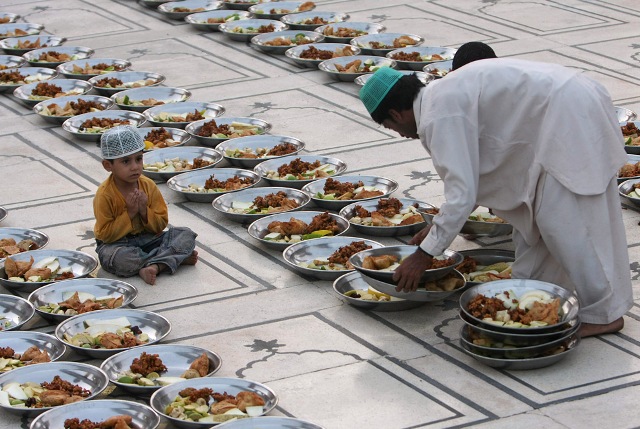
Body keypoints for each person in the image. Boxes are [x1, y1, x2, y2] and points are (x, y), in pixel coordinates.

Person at [358, 62, 633, 337]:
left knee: (572, 225)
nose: (400, 134)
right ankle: (536, 298)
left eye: (391, 126)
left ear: (396, 113)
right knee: (543, 225)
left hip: (567, 116)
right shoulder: (441, 98)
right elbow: (474, 176)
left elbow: (462, 192)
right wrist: (436, 229)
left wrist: (425, 254)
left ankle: (603, 314)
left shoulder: (437, 116)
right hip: (567, 106)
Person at [93, 126, 198, 285]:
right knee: (120, 259)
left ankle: (155, 264)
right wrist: (129, 213)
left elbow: (160, 225)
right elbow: (105, 235)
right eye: (126, 161)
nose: (135, 167)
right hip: (118, 245)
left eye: (138, 159)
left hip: (149, 239)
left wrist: (143, 211)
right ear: (108, 166)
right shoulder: (105, 194)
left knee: (185, 234)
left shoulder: (148, 185)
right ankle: (168, 260)